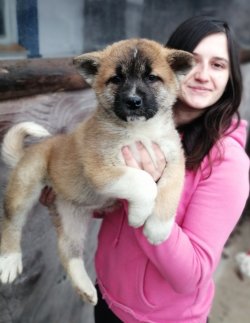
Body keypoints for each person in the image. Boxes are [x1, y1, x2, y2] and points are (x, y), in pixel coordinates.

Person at [40, 16, 249, 323]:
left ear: (231, 77)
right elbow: (113, 208)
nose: (202, 75)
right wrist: (75, 195)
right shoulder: (132, 126)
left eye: (218, 65)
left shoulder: (227, 162)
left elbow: (191, 276)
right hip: (108, 298)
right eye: (194, 61)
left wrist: (148, 194)